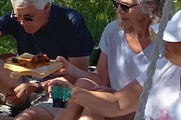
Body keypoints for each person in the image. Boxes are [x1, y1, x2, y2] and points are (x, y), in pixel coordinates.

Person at [52, 0, 167, 120]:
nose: (118, 10)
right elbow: (101, 78)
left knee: (94, 107)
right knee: (84, 84)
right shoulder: (113, 31)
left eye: (125, 6)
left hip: (143, 110)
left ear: (151, 6)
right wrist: (70, 70)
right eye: (116, 3)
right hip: (114, 101)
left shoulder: (167, 45)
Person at [44, 9, 181, 120]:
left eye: (171, 38)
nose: (164, 41)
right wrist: (73, 93)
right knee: (90, 96)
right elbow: (118, 103)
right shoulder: (164, 66)